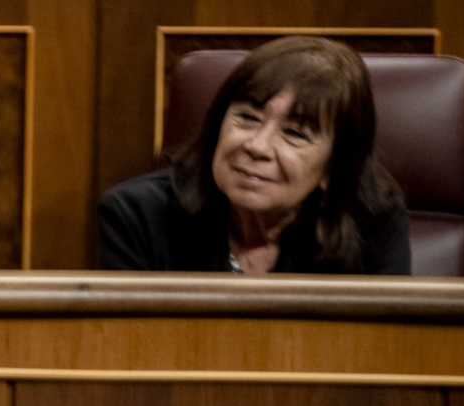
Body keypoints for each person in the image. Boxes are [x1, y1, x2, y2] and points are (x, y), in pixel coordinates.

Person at [98, 36, 410, 275]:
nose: (257, 146)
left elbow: (388, 349)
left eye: (295, 134)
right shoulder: (136, 215)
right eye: (247, 117)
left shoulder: (371, 223)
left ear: (335, 165)